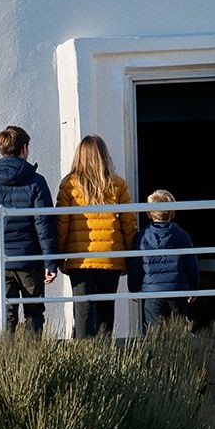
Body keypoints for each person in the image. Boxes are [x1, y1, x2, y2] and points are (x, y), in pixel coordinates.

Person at [0, 126, 58, 334]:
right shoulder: (36, 181)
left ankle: (8, 361)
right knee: (34, 313)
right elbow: (44, 224)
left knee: (6, 314)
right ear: (24, 149)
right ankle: (32, 361)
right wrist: (50, 261)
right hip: (30, 259)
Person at [55, 135, 137, 338]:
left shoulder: (69, 185)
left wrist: (59, 255)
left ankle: (83, 358)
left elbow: (61, 224)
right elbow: (128, 223)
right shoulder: (117, 184)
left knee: (83, 312)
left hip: (80, 260)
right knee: (105, 311)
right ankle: (104, 356)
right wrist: (129, 257)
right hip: (110, 258)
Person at [130, 189, 200, 333]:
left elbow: (136, 265)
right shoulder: (183, 236)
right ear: (173, 213)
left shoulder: (142, 237)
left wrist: (134, 288)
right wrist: (194, 287)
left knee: (154, 336)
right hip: (178, 292)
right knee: (177, 336)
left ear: (148, 214)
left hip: (152, 294)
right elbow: (191, 265)